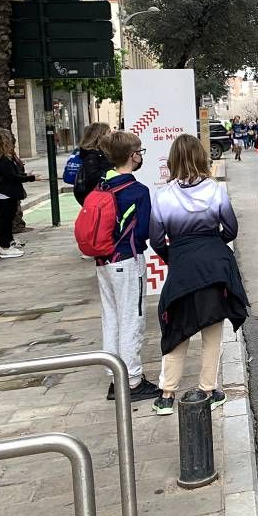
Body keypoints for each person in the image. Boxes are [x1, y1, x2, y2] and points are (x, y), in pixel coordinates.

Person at [149, 135, 248, 415]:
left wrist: (175, 256)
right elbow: (231, 229)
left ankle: (167, 394)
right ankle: (209, 389)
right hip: (214, 265)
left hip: (182, 265)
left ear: (172, 161)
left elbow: (155, 239)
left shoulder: (163, 195)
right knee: (212, 327)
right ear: (201, 157)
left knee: (177, 328)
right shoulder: (214, 191)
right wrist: (212, 243)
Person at [95, 130, 161, 401]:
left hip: (103, 262)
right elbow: (144, 230)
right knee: (132, 319)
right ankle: (132, 380)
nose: (141, 156)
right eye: (140, 152)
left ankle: (115, 377)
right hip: (127, 260)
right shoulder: (137, 191)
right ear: (133, 156)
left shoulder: (101, 185)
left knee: (110, 318)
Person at [0, 128, 37, 259]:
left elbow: (12, 175)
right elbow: (12, 177)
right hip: (3, 194)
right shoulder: (2, 160)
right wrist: (30, 178)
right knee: (5, 220)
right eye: (9, 139)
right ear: (4, 141)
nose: (12, 141)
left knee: (7, 220)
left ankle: (8, 242)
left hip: (4, 194)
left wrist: (26, 175)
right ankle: (4, 246)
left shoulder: (0, 158)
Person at [74, 122, 112, 206]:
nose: (111, 135)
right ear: (100, 136)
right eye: (109, 132)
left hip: (97, 195)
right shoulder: (91, 155)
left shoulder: (100, 152)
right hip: (94, 196)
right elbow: (94, 178)